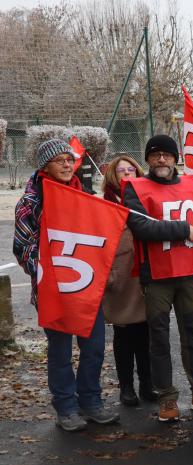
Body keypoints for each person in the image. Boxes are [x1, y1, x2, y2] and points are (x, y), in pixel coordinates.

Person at [14, 139, 119, 431]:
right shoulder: (32, 201)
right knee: (60, 352)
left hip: (86, 286)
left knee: (94, 347)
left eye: (69, 160)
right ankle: (66, 407)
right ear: (44, 164)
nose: (66, 164)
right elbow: (22, 246)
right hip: (53, 290)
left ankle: (91, 402)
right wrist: (47, 271)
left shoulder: (82, 194)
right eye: (59, 160)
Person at [123, 134, 193, 421]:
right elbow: (141, 227)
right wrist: (182, 229)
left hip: (191, 274)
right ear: (147, 159)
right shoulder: (135, 187)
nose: (161, 159)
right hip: (158, 275)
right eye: (155, 154)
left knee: (192, 335)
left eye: (167, 155)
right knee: (158, 337)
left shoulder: (191, 185)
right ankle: (167, 397)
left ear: (175, 158)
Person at [101, 154, 156, 406]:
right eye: (121, 170)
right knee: (124, 338)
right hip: (120, 278)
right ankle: (126, 388)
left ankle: (147, 385)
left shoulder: (146, 198)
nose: (126, 173)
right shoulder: (104, 206)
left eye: (131, 169)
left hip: (143, 275)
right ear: (113, 175)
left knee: (145, 336)